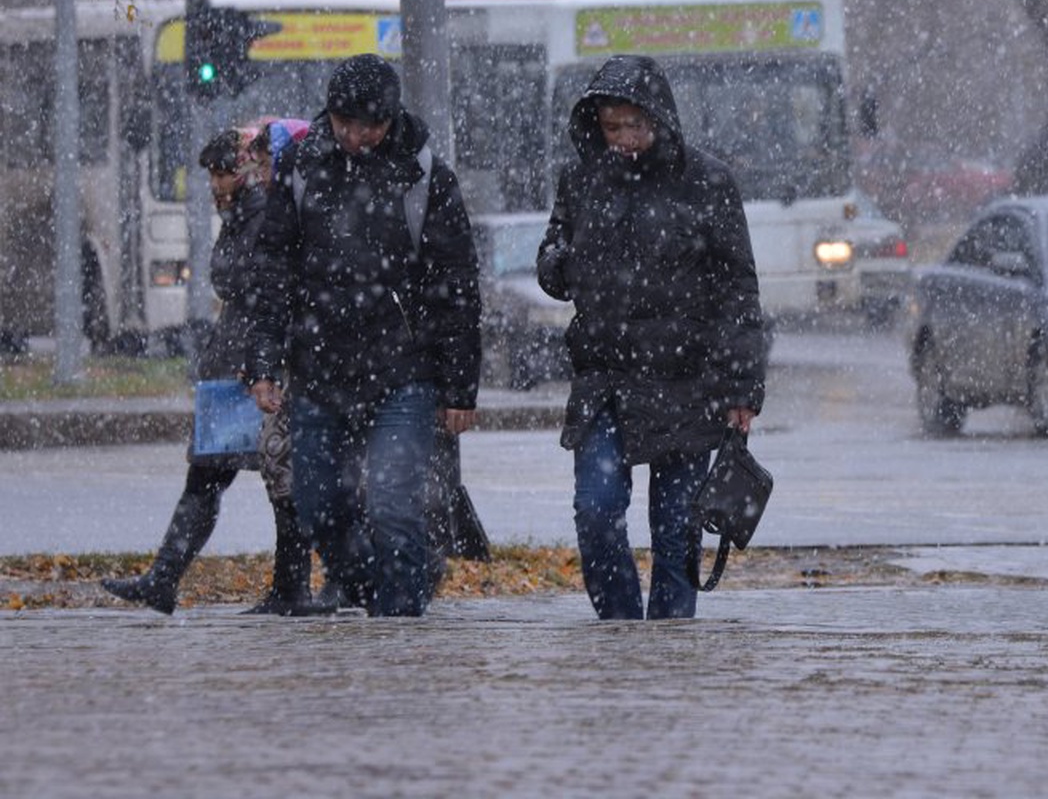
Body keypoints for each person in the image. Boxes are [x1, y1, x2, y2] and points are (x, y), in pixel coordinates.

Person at [244, 54, 482, 618]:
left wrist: (459, 388)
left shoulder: (423, 174)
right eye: (345, 124)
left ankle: (398, 623)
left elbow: (457, 284)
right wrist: (263, 361)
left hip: (406, 370)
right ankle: (384, 591)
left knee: (394, 504)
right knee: (317, 503)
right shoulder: (303, 167)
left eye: (369, 126)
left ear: (391, 118)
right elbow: (272, 269)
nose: (355, 137)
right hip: (320, 366)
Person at [536, 55, 767, 620]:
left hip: (685, 382)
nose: (625, 140)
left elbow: (738, 289)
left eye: (634, 126)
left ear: (659, 119)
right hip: (605, 381)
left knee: (675, 531)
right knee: (596, 510)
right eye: (612, 128)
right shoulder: (583, 178)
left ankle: (668, 644)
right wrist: (565, 263)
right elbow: (551, 263)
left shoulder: (706, 181)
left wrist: (742, 388)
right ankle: (618, 628)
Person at [103, 124, 316, 615]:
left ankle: (294, 587)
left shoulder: (261, 212)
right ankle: (165, 577)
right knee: (210, 475)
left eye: (224, 173)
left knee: (277, 477)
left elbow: (246, 279)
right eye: (213, 176)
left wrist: (261, 360)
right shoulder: (244, 212)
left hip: (254, 366)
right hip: (235, 363)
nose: (216, 185)